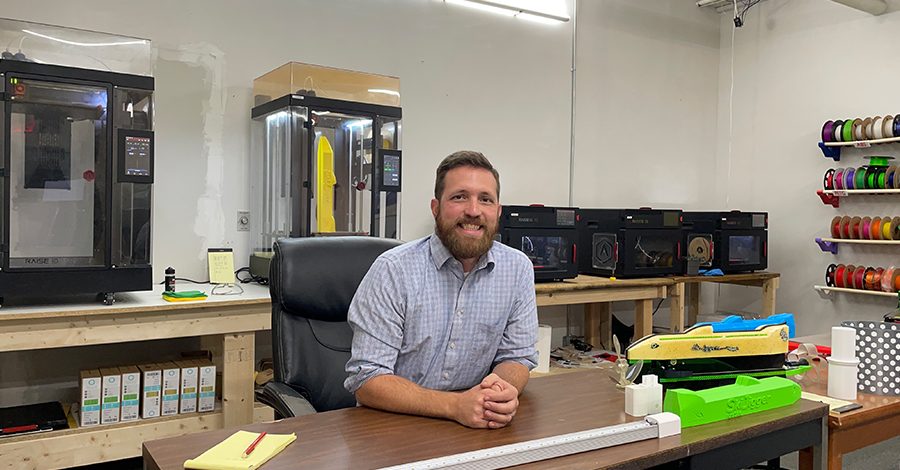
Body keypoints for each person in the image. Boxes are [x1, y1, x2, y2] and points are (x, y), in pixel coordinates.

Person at [344, 150, 538, 429]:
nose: (473, 211)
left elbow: (517, 357)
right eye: (459, 197)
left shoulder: (517, 268)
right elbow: (367, 378)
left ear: (498, 211)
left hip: (476, 421)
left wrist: (498, 393)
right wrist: (454, 406)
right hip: (394, 425)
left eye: (485, 199)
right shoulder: (393, 270)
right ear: (435, 208)